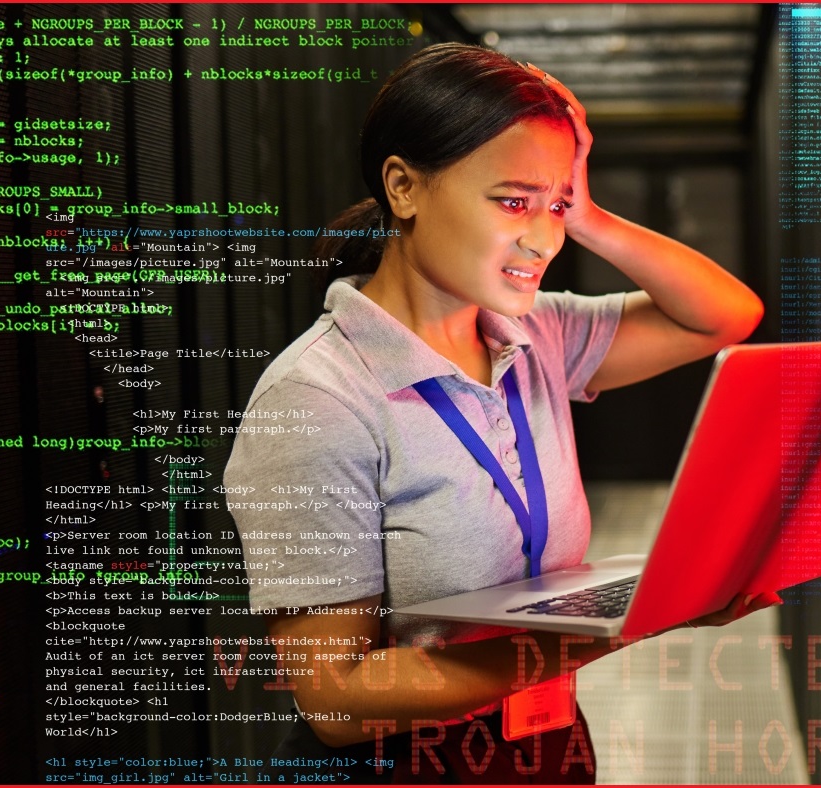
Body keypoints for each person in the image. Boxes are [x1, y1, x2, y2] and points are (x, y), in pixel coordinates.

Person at [223, 43, 775, 783]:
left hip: (543, 748)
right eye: (513, 201)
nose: (543, 238)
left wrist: (589, 215)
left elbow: (724, 316)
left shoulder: (535, 333)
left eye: (555, 207)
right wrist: (618, 621)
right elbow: (336, 696)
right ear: (403, 186)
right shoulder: (320, 398)